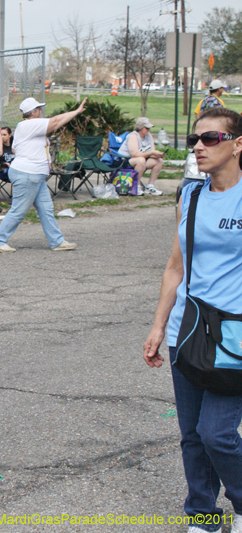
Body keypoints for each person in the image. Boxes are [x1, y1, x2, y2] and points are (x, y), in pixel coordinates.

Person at [143, 107, 242, 533]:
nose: (199, 147)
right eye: (194, 140)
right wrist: (158, 325)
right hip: (186, 331)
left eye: (211, 139)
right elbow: (175, 266)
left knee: (217, 433)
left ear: (237, 144)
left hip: (234, 334)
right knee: (191, 436)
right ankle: (203, 515)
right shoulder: (190, 196)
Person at [0, 97, 85, 253]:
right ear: (33, 112)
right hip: (28, 174)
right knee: (19, 211)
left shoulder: (26, 126)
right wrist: (76, 112)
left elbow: (14, 149)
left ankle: (57, 241)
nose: (41, 111)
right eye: (39, 109)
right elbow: (55, 122)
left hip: (34, 176)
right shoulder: (30, 124)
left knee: (46, 209)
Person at [117, 117, 165, 196]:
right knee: (141, 160)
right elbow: (134, 154)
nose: (148, 130)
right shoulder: (133, 136)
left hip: (141, 160)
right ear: (140, 127)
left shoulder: (149, 136)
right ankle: (137, 186)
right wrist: (152, 152)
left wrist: (158, 154)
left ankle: (150, 186)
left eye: (149, 128)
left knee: (159, 160)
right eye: (146, 128)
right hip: (125, 161)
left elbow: (151, 152)